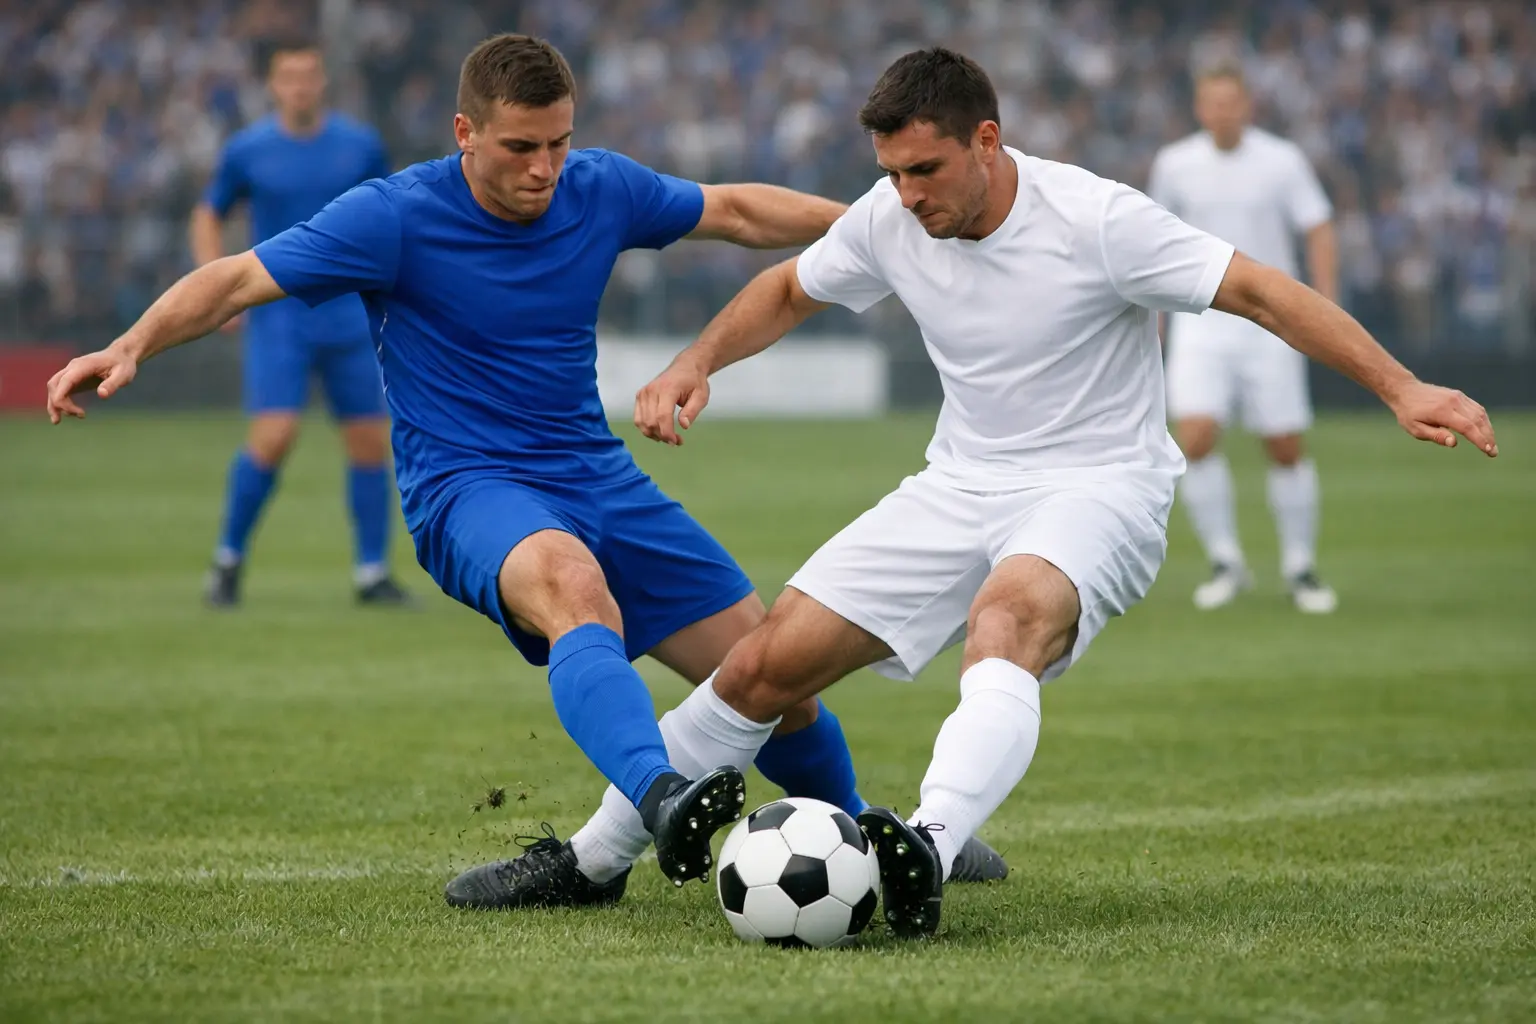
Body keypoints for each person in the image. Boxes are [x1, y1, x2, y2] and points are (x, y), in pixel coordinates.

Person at [45, 34, 1010, 905]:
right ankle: (661, 800)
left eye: (557, 143)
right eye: (519, 148)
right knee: (570, 585)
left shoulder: (598, 186)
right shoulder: (392, 216)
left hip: (596, 474)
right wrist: (131, 343)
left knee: (773, 666)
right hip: (467, 489)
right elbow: (238, 278)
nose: (544, 168)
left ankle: (863, 838)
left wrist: (875, 222)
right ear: (466, 132)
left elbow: (733, 210)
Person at [623, 47, 1497, 939]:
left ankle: (926, 841)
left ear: (988, 141)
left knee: (1005, 624)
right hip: (959, 481)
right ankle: (590, 857)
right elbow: (784, 289)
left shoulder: (1097, 218)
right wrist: (696, 362)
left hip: (1100, 485)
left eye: (926, 169)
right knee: (766, 662)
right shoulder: (890, 216)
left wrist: (1400, 386)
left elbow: (1261, 292)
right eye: (891, 173)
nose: (908, 193)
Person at [192, 37, 411, 607]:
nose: (300, 86)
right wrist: (218, 286)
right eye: (289, 76)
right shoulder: (248, 149)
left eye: (309, 75)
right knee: (274, 435)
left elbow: (391, 212)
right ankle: (227, 561)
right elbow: (208, 212)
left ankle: (371, 574)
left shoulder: (359, 146)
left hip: (350, 315)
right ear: (273, 84)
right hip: (279, 315)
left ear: (323, 81)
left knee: (368, 441)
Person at [1148, 64, 1341, 614]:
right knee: (1197, 437)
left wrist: (1323, 298)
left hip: (1270, 321)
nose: (1222, 112)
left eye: (1231, 102)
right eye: (1212, 102)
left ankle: (1300, 565)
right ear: (1199, 108)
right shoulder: (1175, 163)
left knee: (1283, 444)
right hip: (1202, 320)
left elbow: (1317, 224)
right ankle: (1225, 560)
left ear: (1246, 105)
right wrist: (1156, 315)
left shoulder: (1281, 160)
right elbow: (1155, 240)